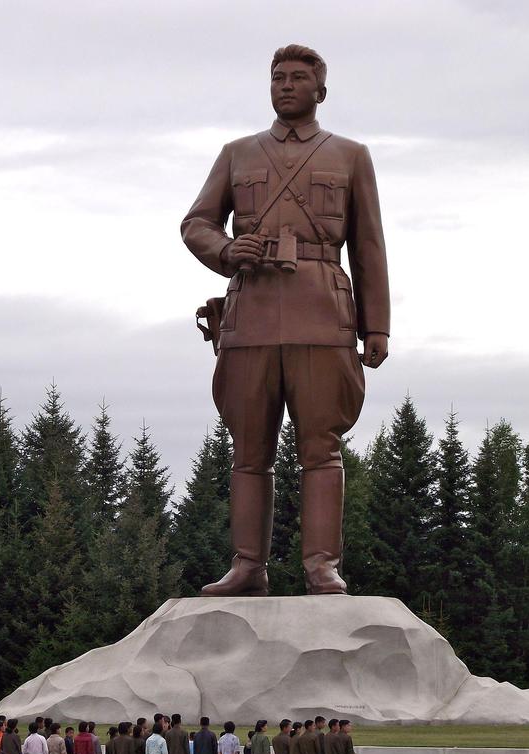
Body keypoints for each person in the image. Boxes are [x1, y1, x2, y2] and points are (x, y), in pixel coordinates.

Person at [181, 44, 390, 600]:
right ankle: (248, 566)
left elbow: (368, 245)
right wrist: (228, 251)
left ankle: (322, 566)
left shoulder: (350, 155)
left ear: (320, 89)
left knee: (321, 446)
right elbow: (196, 222)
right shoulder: (236, 154)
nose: (286, 85)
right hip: (249, 316)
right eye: (278, 77)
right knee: (249, 449)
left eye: (299, 77)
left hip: (323, 314)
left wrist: (376, 326)